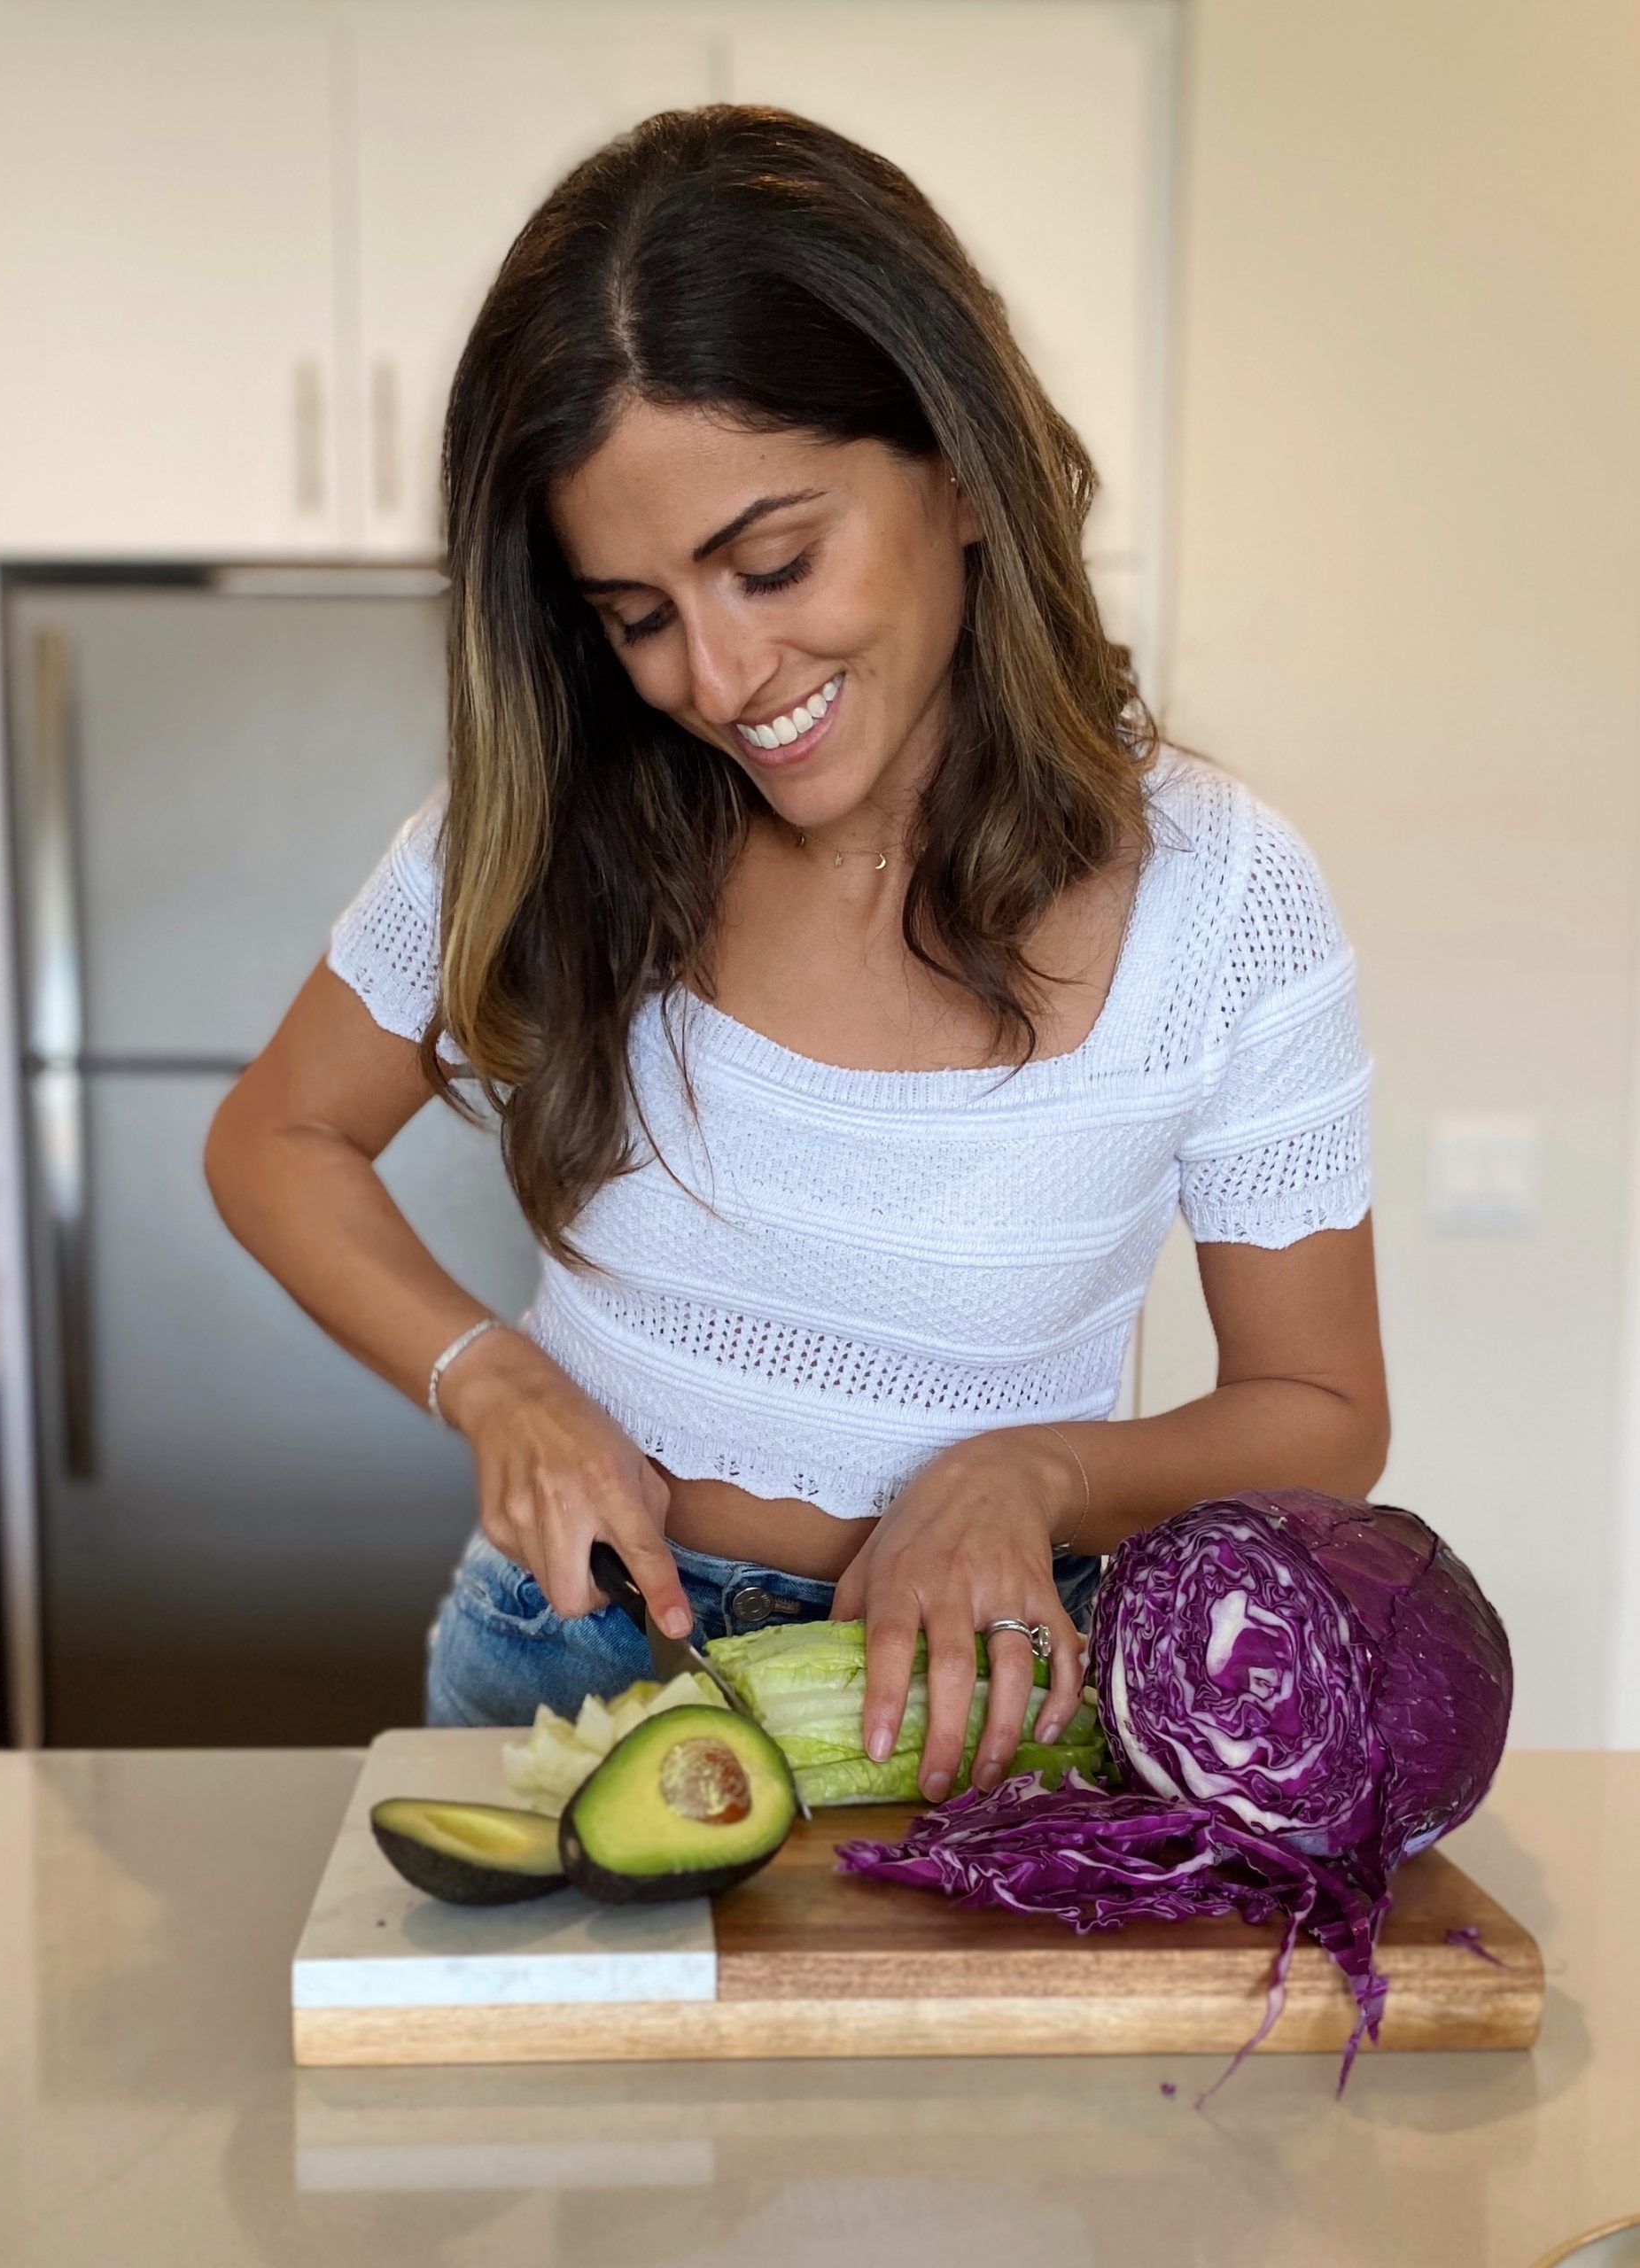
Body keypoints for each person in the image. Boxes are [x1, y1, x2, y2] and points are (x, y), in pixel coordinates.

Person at [204, 105, 1388, 1802]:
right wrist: (496, 1383)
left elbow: (1323, 1406)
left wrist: (1035, 1473)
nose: (718, 677)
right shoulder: (554, 822)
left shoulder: (1222, 896)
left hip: (973, 1705)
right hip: (572, 1668)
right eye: (637, 615)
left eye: (771, 564)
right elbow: (276, 1135)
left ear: (962, 468)